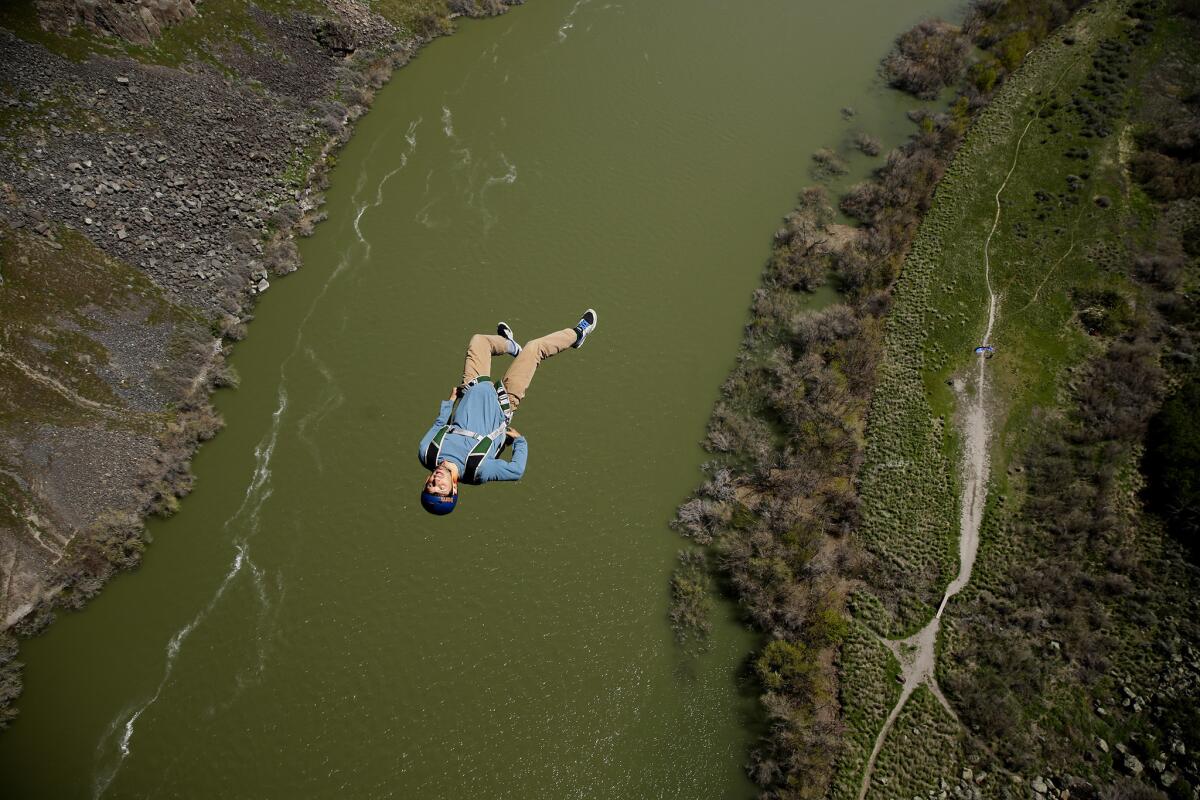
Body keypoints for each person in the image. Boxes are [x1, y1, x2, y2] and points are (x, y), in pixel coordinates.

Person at [418, 309, 598, 515]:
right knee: (535, 348)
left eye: (430, 485)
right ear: (454, 488)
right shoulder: (479, 470)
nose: (436, 480)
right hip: (503, 399)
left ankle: (509, 344)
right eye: (441, 487)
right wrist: (520, 441)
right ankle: (577, 334)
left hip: (472, 388)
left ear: (425, 481)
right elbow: (516, 470)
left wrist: (449, 404)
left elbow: (439, 425)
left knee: (480, 341)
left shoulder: (427, 452)